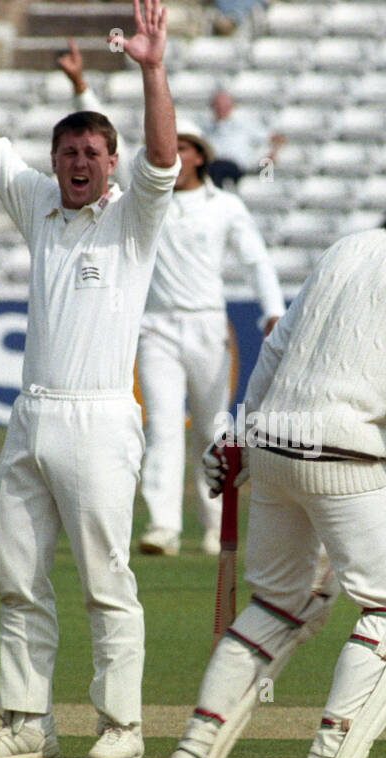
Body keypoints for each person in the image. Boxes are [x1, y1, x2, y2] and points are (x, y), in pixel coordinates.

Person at [164, 158, 386, 758]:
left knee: (275, 603)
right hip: (341, 457)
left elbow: (273, 348)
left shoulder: (347, 248)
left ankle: (196, 746)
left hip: (272, 449)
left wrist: (241, 435)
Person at [0, 0, 180, 758]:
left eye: (92, 153)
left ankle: (123, 728)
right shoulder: (38, 205)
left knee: (107, 578)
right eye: (66, 151)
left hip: (102, 419)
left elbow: (163, 156)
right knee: (17, 576)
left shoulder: (132, 218)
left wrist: (154, 70)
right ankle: (27, 722)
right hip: (32, 416)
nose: (77, 163)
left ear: (111, 162)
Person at [52, 47, 285, 558]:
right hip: (155, 327)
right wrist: (79, 84)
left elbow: (257, 260)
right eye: (170, 148)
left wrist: (273, 310)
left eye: (183, 149)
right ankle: (162, 526)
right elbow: (99, 135)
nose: (173, 156)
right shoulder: (142, 198)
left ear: (199, 156)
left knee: (212, 428)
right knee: (161, 425)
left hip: (208, 328)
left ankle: (215, 523)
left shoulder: (225, 206)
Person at [201, 91, 284, 189]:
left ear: (232, 106)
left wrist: (272, 154)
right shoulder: (206, 128)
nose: (220, 109)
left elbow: (277, 138)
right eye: (217, 106)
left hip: (234, 167)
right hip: (212, 165)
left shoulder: (244, 125)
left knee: (217, 168)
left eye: (224, 105)